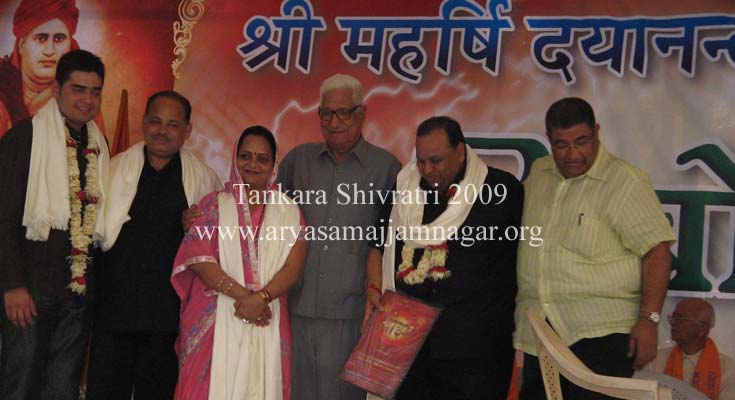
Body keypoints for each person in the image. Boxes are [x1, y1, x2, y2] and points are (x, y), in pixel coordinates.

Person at [514, 97, 676, 399]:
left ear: (597, 132)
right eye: (561, 145)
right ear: (548, 140)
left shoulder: (625, 181)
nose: (573, 154)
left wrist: (649, 320)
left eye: (582, 141)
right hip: (541, 334)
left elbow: (657, 251)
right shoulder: (539, 173)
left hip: (602, 335)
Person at [364, 116, 524, 399]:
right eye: (421, 161)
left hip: (475, 351)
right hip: (410, 348)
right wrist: (374, 288)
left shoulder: (503, 192)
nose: (427, 170)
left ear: (460, 151)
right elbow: (378, 245)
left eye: (436, 161)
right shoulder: (405, 189)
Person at [86, 91, 221, 399]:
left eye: (173, 125)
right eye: (156, 121)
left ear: (187, 131)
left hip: (166, 320)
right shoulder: (110, 171)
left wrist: (198, 228)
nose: (163, 131)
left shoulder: (204, 182)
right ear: (144, 123)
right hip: (113, 315)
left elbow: (215, 248)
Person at [277, 73, 401, 400]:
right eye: (326, 113)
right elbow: (264, 217)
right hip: (297, 305)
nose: (333, 122)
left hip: (354, 311)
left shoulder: (388, 168)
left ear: (362, 113)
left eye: (343, 112)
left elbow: (391, 242)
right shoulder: (296, 162)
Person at [0, 49, 108, 400]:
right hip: (30, 291)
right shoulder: (25, 138)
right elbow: (3, 216)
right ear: (57, 89)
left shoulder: (97, 145)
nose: (87, 100)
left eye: (95, 91)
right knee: (21, 385)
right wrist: (13, 285)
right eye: (78, 89)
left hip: (76, 296)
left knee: (62, 389)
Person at [172, 125, 307, 400]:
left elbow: (293, 269)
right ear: (235, 159)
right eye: (246, 156)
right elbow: (199, 259)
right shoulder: (211, 205)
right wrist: (247, 298)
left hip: (267, 316)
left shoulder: (290, 212)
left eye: (262, 158)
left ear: (273, 164)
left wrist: (262, 299)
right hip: (214, 316)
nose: (253, 164)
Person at [0, 0, 80, 136]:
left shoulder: (81, 93)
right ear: (21, 45)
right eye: (41, 39)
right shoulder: (3, 92)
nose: (49, 51)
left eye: (59, 39)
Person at [645, 298, 734, 399]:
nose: (673, 323)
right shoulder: (655, 359)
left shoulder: (726, 366)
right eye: (673, 317)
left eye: (681, 319)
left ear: (702, 329)